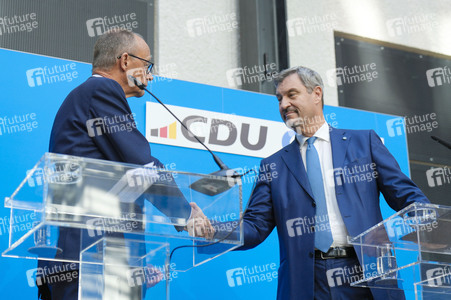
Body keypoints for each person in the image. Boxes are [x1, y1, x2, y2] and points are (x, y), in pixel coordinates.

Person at [37, 29, 210, 300]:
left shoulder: (86, 96)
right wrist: (186, 216)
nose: (151, 76)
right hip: (89, 260)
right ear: (125, 61)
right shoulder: (101, 90)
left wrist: (132, 266)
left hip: (95, 259)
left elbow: (120, 181)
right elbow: (143, 167)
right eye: (147, 64)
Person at [236, 66, 430, 300]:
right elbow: (254, 227)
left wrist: (409, 226)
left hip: (365, 274)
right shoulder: (273, 165)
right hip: (306, 282)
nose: (283, 104)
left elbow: (410, 199)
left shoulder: (364, 143)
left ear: (316, 94)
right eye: (279, 98)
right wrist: (211, 230)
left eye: (291, 95)